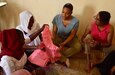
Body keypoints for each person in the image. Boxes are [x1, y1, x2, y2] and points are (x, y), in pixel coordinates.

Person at [52, 3, 82, 67]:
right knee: (50, 44)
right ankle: (64, 59)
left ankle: (60, 56)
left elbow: (72, 35)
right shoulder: (57, 17)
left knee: (78, 46)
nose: (64, 15)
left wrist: (63, 43)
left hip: (70, 38)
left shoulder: (75, 21)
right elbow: (54, 31)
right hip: (59, 36)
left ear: (71, 13)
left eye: (67, 13)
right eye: (63, 12)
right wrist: (53, 37)